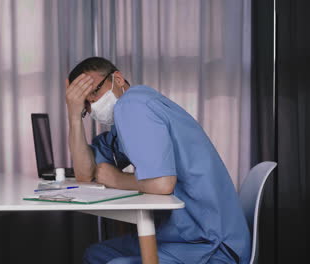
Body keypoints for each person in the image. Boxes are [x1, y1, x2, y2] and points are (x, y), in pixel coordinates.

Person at [65, 57, 251, 264]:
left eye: (95, 92)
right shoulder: (126, 119)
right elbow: (85, 174)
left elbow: (162, 184)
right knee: (96, 255)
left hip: (210, 244)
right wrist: (74, 115)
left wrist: (116, 179)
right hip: (182, 235)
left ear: (117, 79)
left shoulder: (133, 104)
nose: (94, 105)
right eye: (86, 104)